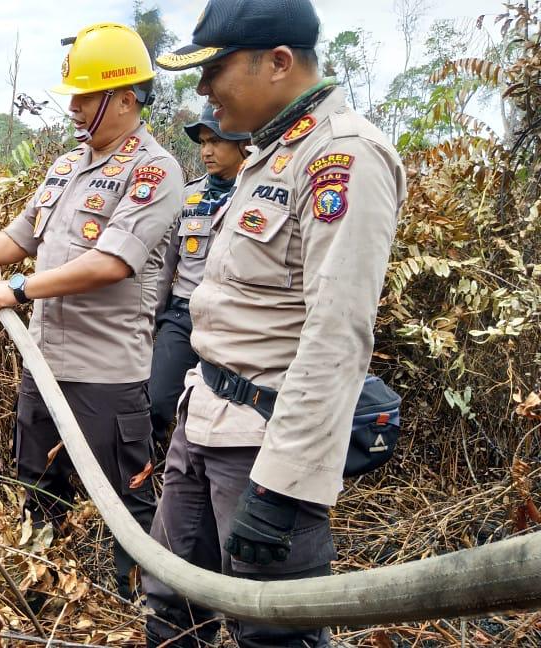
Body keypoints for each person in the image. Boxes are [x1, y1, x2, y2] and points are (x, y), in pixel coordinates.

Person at [139, 0, 407, 645]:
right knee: (170, 604)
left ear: (279, 62)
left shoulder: (344, 158)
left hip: (263, 447)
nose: (203, 91)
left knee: (272, 631)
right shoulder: (267, 154)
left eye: (216, 71)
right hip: (203, 420)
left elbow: (336, 338)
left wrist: (284, 488)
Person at [0, 22, 183, 598]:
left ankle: (140, 604)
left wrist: (19, 291)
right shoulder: (66, 167)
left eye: (86, 97)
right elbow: (11, 242)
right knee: (37, 486)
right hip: (44, 364)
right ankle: (38, 591)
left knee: (125, 499)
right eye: (73, 95)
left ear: (126, 99)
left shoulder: (154, 173)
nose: (74, 108)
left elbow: (111, 262)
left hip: (104, 374)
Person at [149, 104, 250, 445]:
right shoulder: (189, 195)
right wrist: (154, 316)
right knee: (157, 400)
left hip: (232, 320)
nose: (206, 151)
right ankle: (151, 471)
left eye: (216, 142)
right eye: (203, 142)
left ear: (243, 145)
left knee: (221, 409)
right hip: (182, 314)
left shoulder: (256, 196)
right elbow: (167, 263)